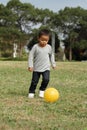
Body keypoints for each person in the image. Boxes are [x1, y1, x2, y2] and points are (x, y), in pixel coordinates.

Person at [28, 29, 56, 98]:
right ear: (38, 38)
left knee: (46, 79)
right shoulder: (35, 47)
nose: (44, 42)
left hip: (46, 68)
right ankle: (31, 92)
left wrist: (53, 64)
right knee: (34, 81)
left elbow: (51, 55)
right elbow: (31, 56)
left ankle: (42, 91)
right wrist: (30, 65)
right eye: (42, 40)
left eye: (46, 40)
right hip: (36, 68)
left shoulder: (49, 47)